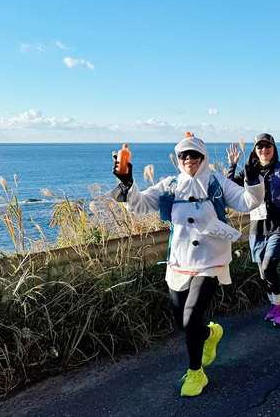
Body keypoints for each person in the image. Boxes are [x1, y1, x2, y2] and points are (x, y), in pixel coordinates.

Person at [111, 133, 264, 397]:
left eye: (194, 155)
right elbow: (139, 205)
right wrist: (127, 182)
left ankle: (196, 372)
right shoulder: (169, 184)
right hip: (179, 262)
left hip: (211, 261)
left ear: (203, 158)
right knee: (183, 323)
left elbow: (249, 202)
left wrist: (252, 180)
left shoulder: (217, 182)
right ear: (178, 159)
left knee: (191, 317)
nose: (188, 159)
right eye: (183, 155)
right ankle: (209, 334)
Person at [227, 133, 280, 327]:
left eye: (267, 146)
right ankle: (274, 306)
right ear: (255, 151)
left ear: (273, 149)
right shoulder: (250, 172)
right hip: (257, 229)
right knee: (263, 274)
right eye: (260, 147)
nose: (264, 150)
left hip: (278, 227)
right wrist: (232, 166)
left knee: (268, 267)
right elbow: (229, 187)